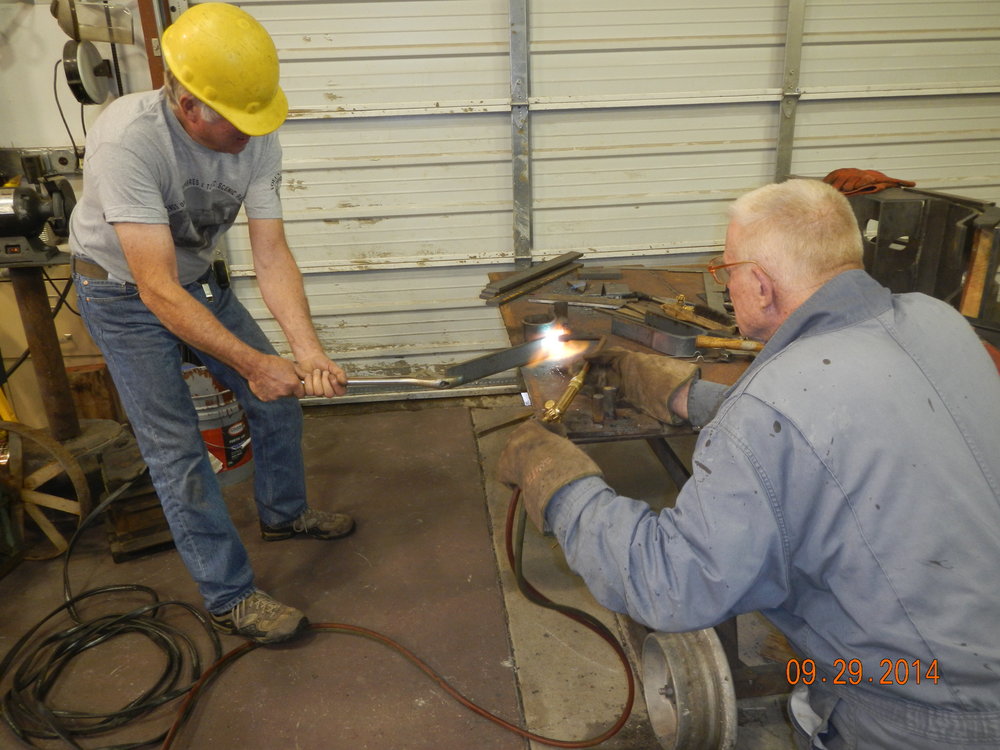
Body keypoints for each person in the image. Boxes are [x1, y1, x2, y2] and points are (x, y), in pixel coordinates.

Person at [499, 178, 1000, 748]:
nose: (725, 284)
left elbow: (673, 582)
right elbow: (847, 418)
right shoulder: (938, 321)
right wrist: (691, 396)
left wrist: (558, 483)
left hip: (922, 704)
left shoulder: (773, 405)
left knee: (817, 690)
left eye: (725, 270)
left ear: (760, 286)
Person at [68, 3, 354, 645]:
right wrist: (257, 365)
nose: (251, 136)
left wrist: (305, 353)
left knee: (278, 404)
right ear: (189, 103)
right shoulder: (129, 140)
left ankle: (284, 513)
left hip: (198, 280)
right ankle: (230, 596)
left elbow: (271, 252)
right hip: (121, 295)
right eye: (237, 122)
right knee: (177, 450)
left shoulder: (256, 129)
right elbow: (156, 290)